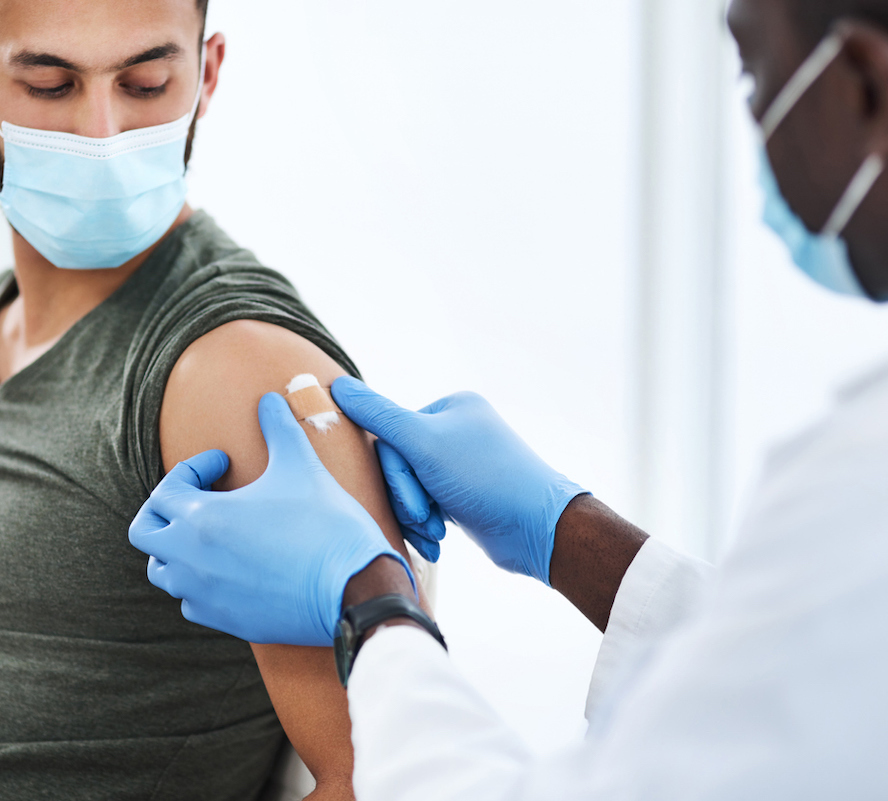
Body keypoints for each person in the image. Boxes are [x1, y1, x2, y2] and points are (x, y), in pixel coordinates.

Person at [129, 1, 888, 798]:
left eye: (752, 72)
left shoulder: (858, 488)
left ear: (864, 81)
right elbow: (795, 681)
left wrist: (373, 601)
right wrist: (569, 531)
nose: (756, 117)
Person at [0, 1, 428, 799]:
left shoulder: (229, 369)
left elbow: (386, 774)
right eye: (52, 86)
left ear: (208, 71)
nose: (102, 133)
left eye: (147, 82)